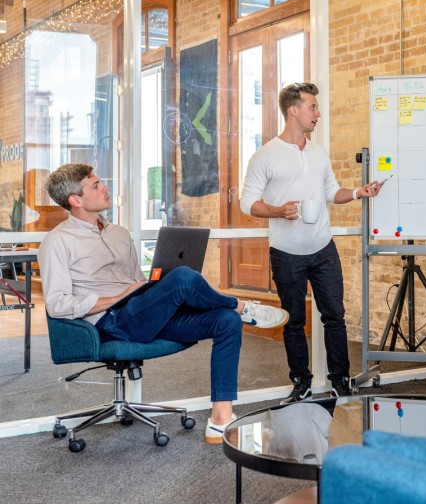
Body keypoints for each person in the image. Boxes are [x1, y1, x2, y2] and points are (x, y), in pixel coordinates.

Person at [38, 163, 289, 444]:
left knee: (224, 321)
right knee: (183, 278)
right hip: (113, 321)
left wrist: (150, 287)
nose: (105, 186)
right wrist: (116, 297)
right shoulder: (57, 242)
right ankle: (241, 307)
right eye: (96, 185)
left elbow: (136, 281)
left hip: (142, 312)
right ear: (76, 200)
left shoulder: (118, 233)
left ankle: (220, 419)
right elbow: (57, 304)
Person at [240, 82, 381, 403]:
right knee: (293, 319)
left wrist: (359, 192)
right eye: (312, 107)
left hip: (323, 249)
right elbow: (247, 203)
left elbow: (332, 192)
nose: (318, 113)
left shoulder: (318, 153)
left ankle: (340, 380)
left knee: (335, 316)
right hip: (286, 253)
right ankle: (301, 382)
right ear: (294, 110)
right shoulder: (266, 155)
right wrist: (278, 210)